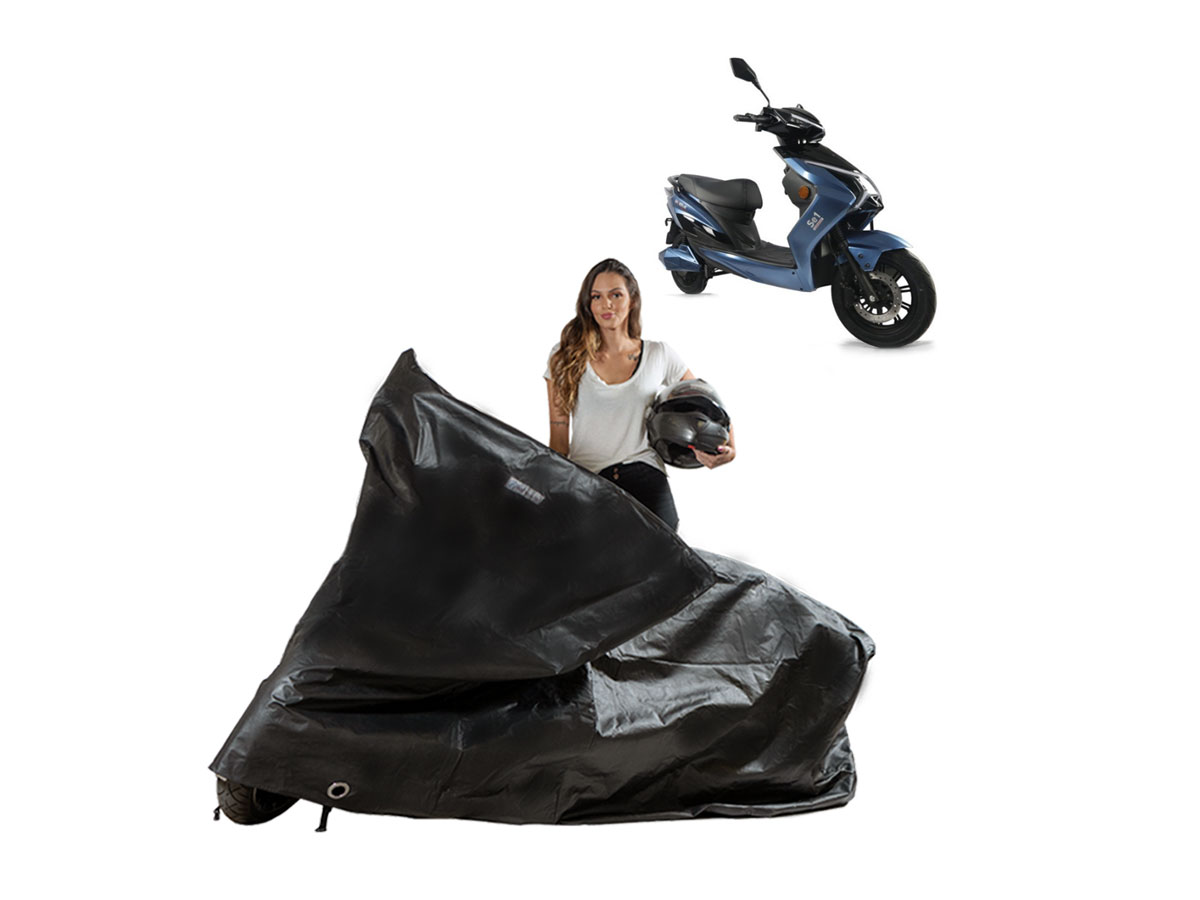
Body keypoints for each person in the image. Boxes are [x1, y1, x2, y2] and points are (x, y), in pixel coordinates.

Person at [545, 258, 735, 531]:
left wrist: (729, 449)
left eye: (616, 295)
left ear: (632, 300)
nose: (606, 304)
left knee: (664, 550)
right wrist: (553, 491)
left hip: (644, 472)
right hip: (588, 476)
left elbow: (708, 403)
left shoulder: (659, 354)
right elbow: (559, 439)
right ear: (588, 304)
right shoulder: (564, 356)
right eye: (597, 297)